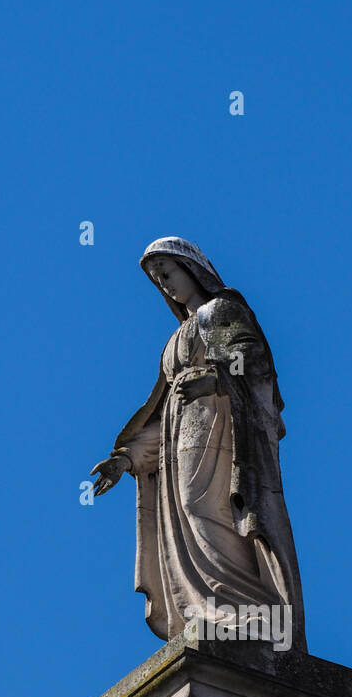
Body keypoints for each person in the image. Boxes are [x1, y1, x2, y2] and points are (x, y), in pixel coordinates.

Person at [90, 237, 306, 650]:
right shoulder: (175, 339)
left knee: (208, 508)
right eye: (158, 280)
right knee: (188, 513)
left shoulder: (221, 310)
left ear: (191, 269)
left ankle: (247, 608)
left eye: (168, 273)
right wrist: (126, 459)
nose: (165, 284)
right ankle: (212, 607)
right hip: (179, 432)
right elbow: (161, 414)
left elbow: (254, 359)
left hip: (219, 421)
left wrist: (215, 379)